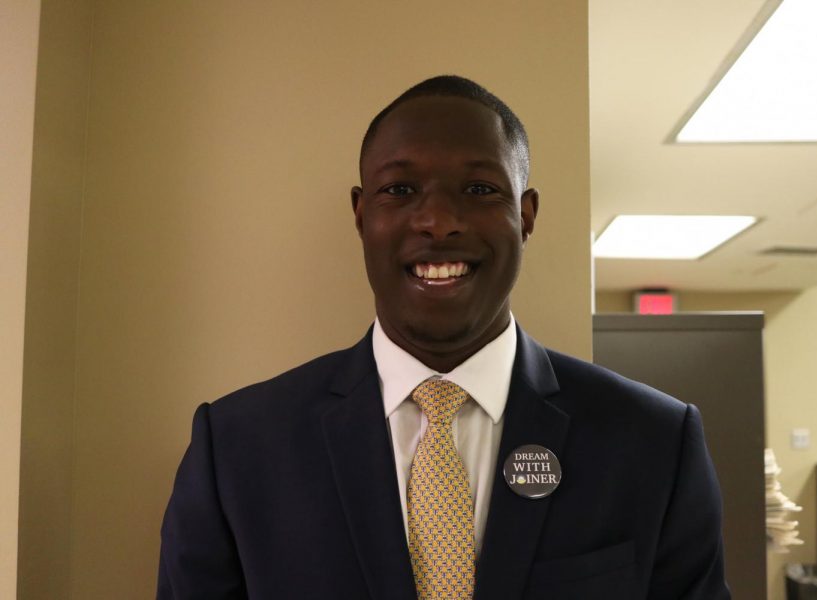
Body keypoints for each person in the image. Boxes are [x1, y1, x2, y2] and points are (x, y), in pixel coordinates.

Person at [157, 75, 730, 599]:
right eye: (400, 190)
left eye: (479, 189)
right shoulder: (236, 449)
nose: (437, 221)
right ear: (360, 215)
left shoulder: (654, 442)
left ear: (526, 215)